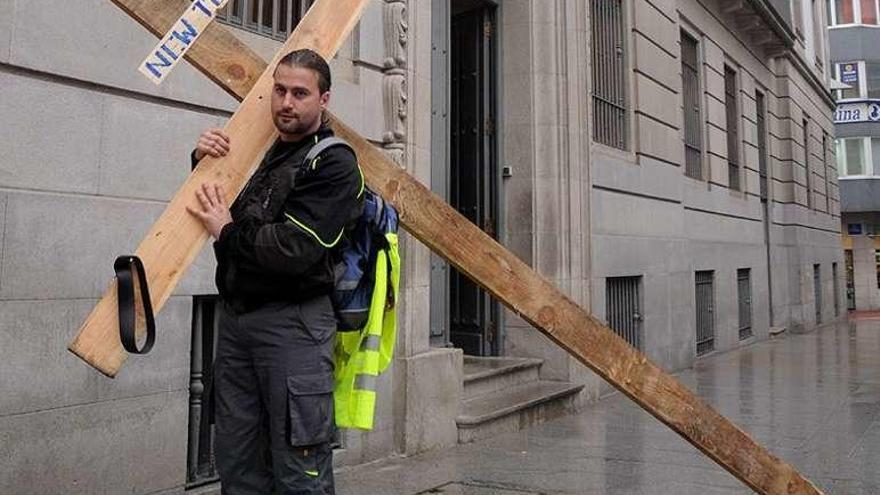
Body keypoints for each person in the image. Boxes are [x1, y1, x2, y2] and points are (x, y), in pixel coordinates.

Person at [187, 48, 363, 495]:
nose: (286, 102)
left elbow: (294, 250)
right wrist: (203, 161)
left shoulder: (335, 163)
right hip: (238, 322)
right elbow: (214, 204)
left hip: (295, 327)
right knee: (238, 461)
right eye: (280, 90)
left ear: (324, 100)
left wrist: (227, 233)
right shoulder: (258, 152)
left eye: (300, 93)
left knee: (298, 469)